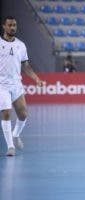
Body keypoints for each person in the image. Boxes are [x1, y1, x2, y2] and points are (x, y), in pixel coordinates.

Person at [0, 16, 43, 156]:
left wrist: (36, 79)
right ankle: (10, 147)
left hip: (16, 84)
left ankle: (16, 134)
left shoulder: (21, 45)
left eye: (14, 25)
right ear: (4, 26)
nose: (13, 27)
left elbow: (26, 66)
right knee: (6, 112)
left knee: (23, 115)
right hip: (2, 85)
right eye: (10, 25)